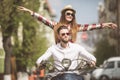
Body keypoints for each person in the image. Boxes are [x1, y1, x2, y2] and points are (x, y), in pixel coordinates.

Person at [18, 5, 117, 43]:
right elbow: (43, 19)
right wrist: (30, 12)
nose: (70, 15)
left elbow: (91, 27)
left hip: (72, 54)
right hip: (59, 53)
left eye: (72, 14)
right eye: (68, 13)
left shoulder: (76, 27)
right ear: (63, 15)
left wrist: (105, 24)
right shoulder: (56, 25)